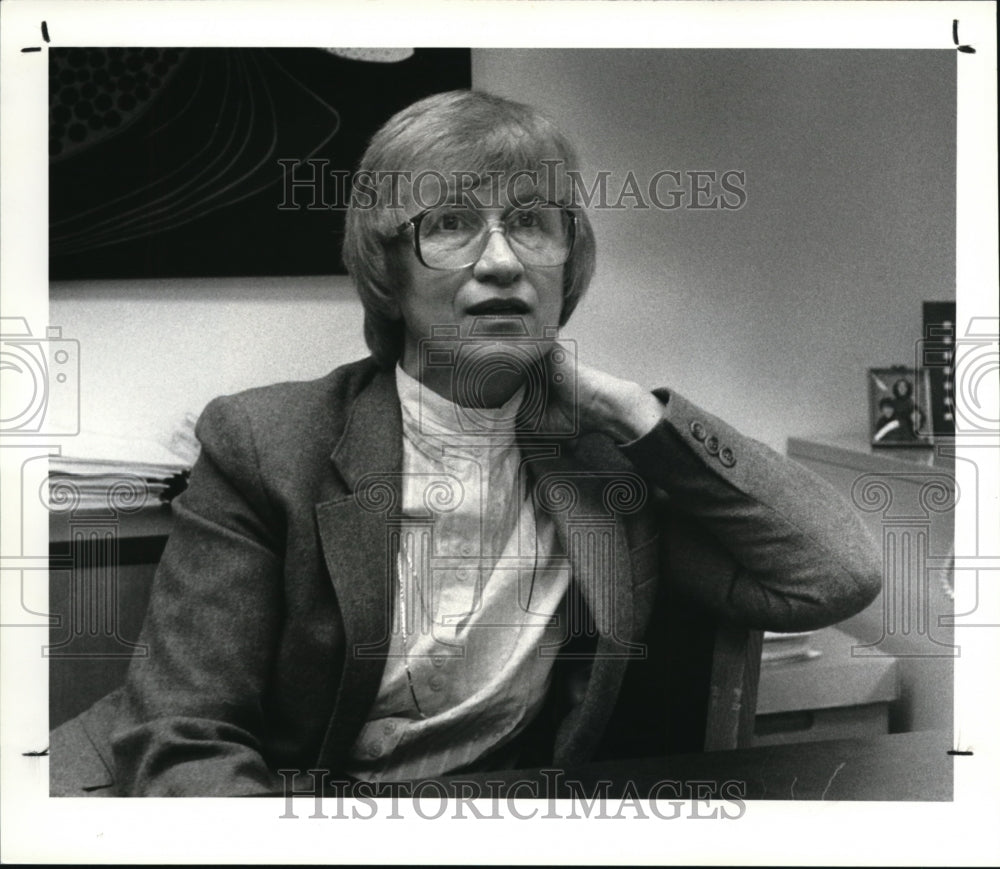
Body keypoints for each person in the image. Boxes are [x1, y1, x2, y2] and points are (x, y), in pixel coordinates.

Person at [53, 90, 881, 796]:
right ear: (390, 269)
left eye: (533, 224)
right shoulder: (266, 443)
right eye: (450, 224)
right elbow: (185, 739)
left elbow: (836, 574)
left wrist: (633, 411)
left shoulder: (606, 466)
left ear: (569, 260)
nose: (501, 262)